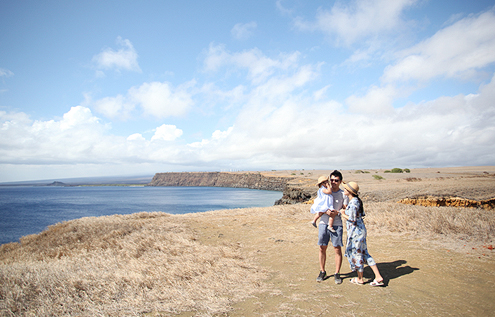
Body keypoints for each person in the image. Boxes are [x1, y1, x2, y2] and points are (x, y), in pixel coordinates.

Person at [341, 181, 385, 286]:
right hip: (360, 230)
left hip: (356, 232)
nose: (344, 190)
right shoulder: (356, 201)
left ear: (350, 192)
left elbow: (352, 219)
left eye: (346, 189)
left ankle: (360, 278)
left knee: (357, 254)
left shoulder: (353, 202)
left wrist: (343, 214)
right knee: (364, 253)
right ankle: (378, 276)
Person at [316, 170, 348, 284]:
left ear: (340, 181)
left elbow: (345, 209)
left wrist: (337, 213)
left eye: (336, 180)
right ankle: (322, 271)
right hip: (324, 223)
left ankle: (337, 273)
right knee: (322, 247)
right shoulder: (324, 191)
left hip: (337, 224)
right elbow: (319, 205)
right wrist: (325, 211)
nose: (333, 182)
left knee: (337, 248)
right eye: (332, 180)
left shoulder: (343, 194)